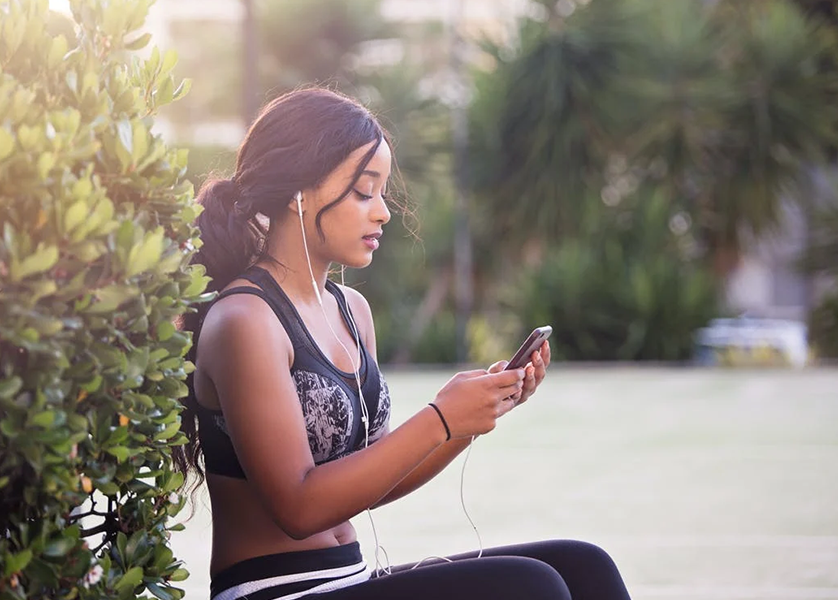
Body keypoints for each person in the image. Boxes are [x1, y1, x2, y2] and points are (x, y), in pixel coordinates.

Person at [175, 87, 632, 600]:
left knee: (583, 566)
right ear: (298, 192)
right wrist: (440, 418)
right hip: (277, 591)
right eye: (363, 191)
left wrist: (470, 420)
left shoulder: (351, 310)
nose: (383, 213)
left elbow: (378, 477)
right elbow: (299, 508)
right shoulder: (245, 319)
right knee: (532, 587)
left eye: (383, 192)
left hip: (349, 580)